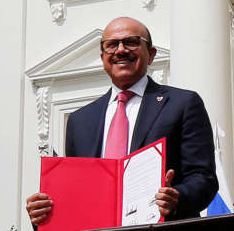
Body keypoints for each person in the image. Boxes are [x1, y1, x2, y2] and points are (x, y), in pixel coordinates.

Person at [25, 17, 218, 225]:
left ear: (151, 54)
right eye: (111, 45)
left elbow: (204, 178)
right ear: (102, 57)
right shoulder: (79, 121)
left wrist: (177, 197)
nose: (120, 50)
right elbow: (78, 192)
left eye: (132, 42)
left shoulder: (183, 103)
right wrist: (43, 212)